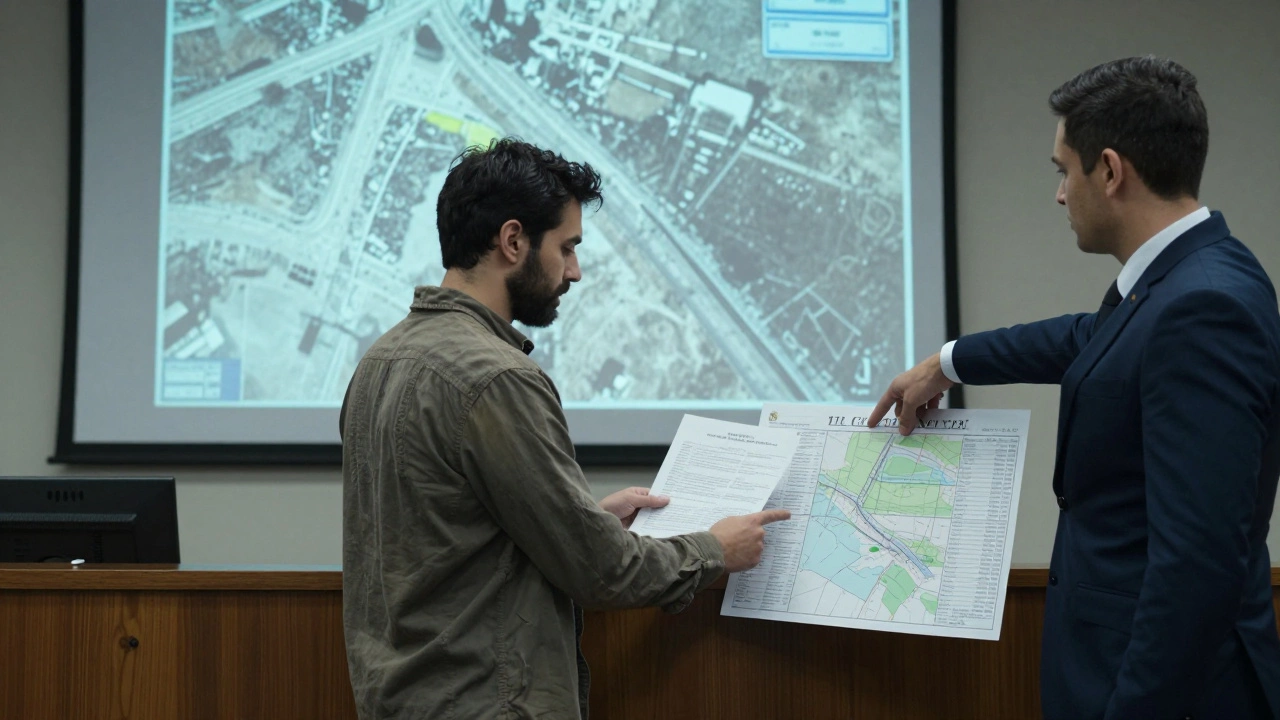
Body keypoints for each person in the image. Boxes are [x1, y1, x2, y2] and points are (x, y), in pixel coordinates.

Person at [870, 56, 1280, 719]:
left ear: (1111, 171)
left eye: (1065, 171)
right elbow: (1088, 339)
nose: (1060, 194)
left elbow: (1197, 565)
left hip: (1167, 696)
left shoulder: (1203, 305)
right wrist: (947, 362)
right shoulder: (1184, 281)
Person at [339, 138, 789, 719]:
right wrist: (714, 549)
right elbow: (602, 573)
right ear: (512, 241)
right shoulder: (498, 377)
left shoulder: (380, 360)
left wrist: (584, 520)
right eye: (567, 248)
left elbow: (444, 534)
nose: (574, 271)